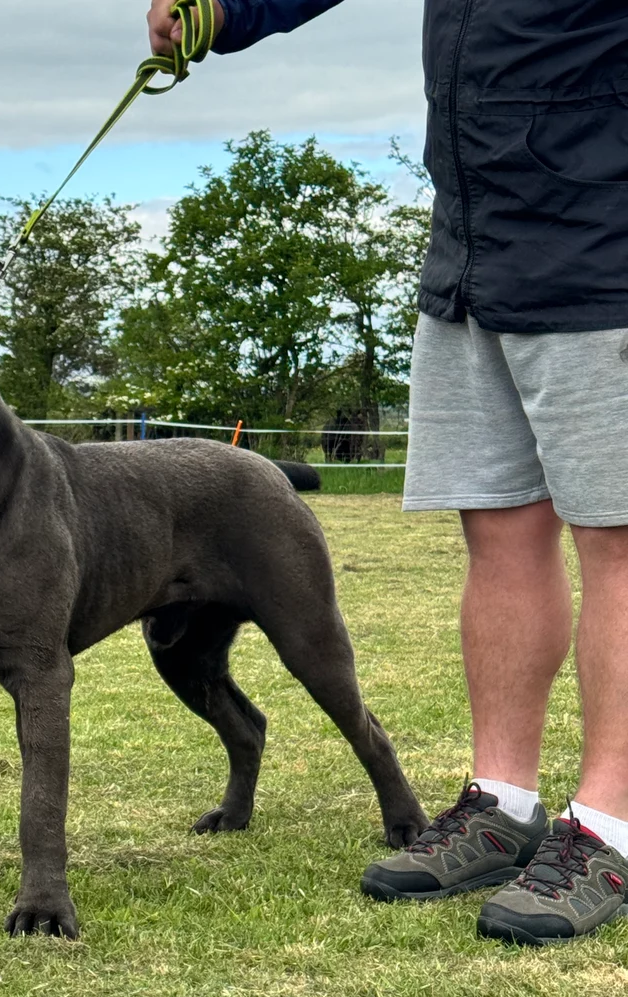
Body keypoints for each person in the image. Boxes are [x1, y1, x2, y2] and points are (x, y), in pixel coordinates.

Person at [147, 0, 628, 947]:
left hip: (604, 252)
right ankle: (503, 803)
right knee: (497, 528)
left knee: (617, 542)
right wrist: (222, 12)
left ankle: (608, 825)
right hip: (474, 255)